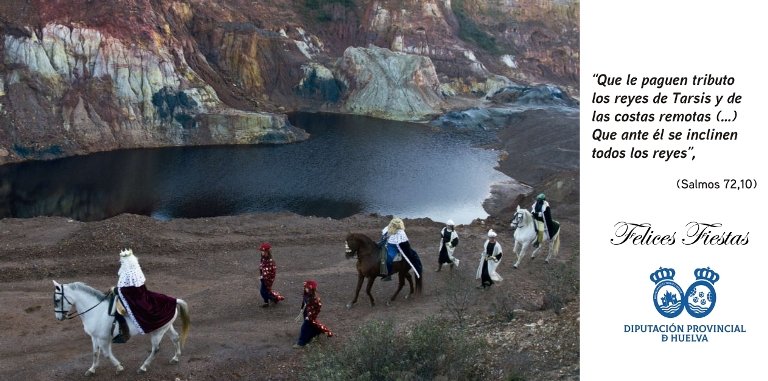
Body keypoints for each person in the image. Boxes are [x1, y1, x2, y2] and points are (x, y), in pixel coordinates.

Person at [114, 248, 178, 343]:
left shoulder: (129, 272)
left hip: (133, 297)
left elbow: (129, 289)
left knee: (117, 311)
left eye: (122, 261)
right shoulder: (135, 268)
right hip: (139, 294)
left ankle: (124, 334)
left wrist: (117, 290)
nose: (121, 262)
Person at [381, 217, 423, 281]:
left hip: (393, 247)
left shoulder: (401, 233)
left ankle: (388, 274)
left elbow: (404, 245)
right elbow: (384, 237)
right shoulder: (388, 228)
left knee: (388, 259)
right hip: (387, 244)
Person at [294, 280, 333, 348]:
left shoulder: (315, 299)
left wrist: (310, 315)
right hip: (306, 312)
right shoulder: (306, 295)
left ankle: (301, 343)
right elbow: (304, 302)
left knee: (304, 327)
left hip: (311, 314)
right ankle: (316, 332)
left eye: (307, 288)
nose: (305, 289)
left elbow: (318, 308)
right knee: (310, 325)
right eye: (305, 288)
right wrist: (302, 310)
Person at [258, 242, 285, 307]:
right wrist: (262, 275)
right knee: (266, 291)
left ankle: (274, 298)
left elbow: (271, 272)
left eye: (263, 251)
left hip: (267, 279)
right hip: (263, 278)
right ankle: (267, 301)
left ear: (267, 252)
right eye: (261, 251)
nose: (262, 252)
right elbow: (262, 267)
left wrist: (263, 277)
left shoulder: (270, 261)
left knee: (263, 291)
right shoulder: (263, 258)